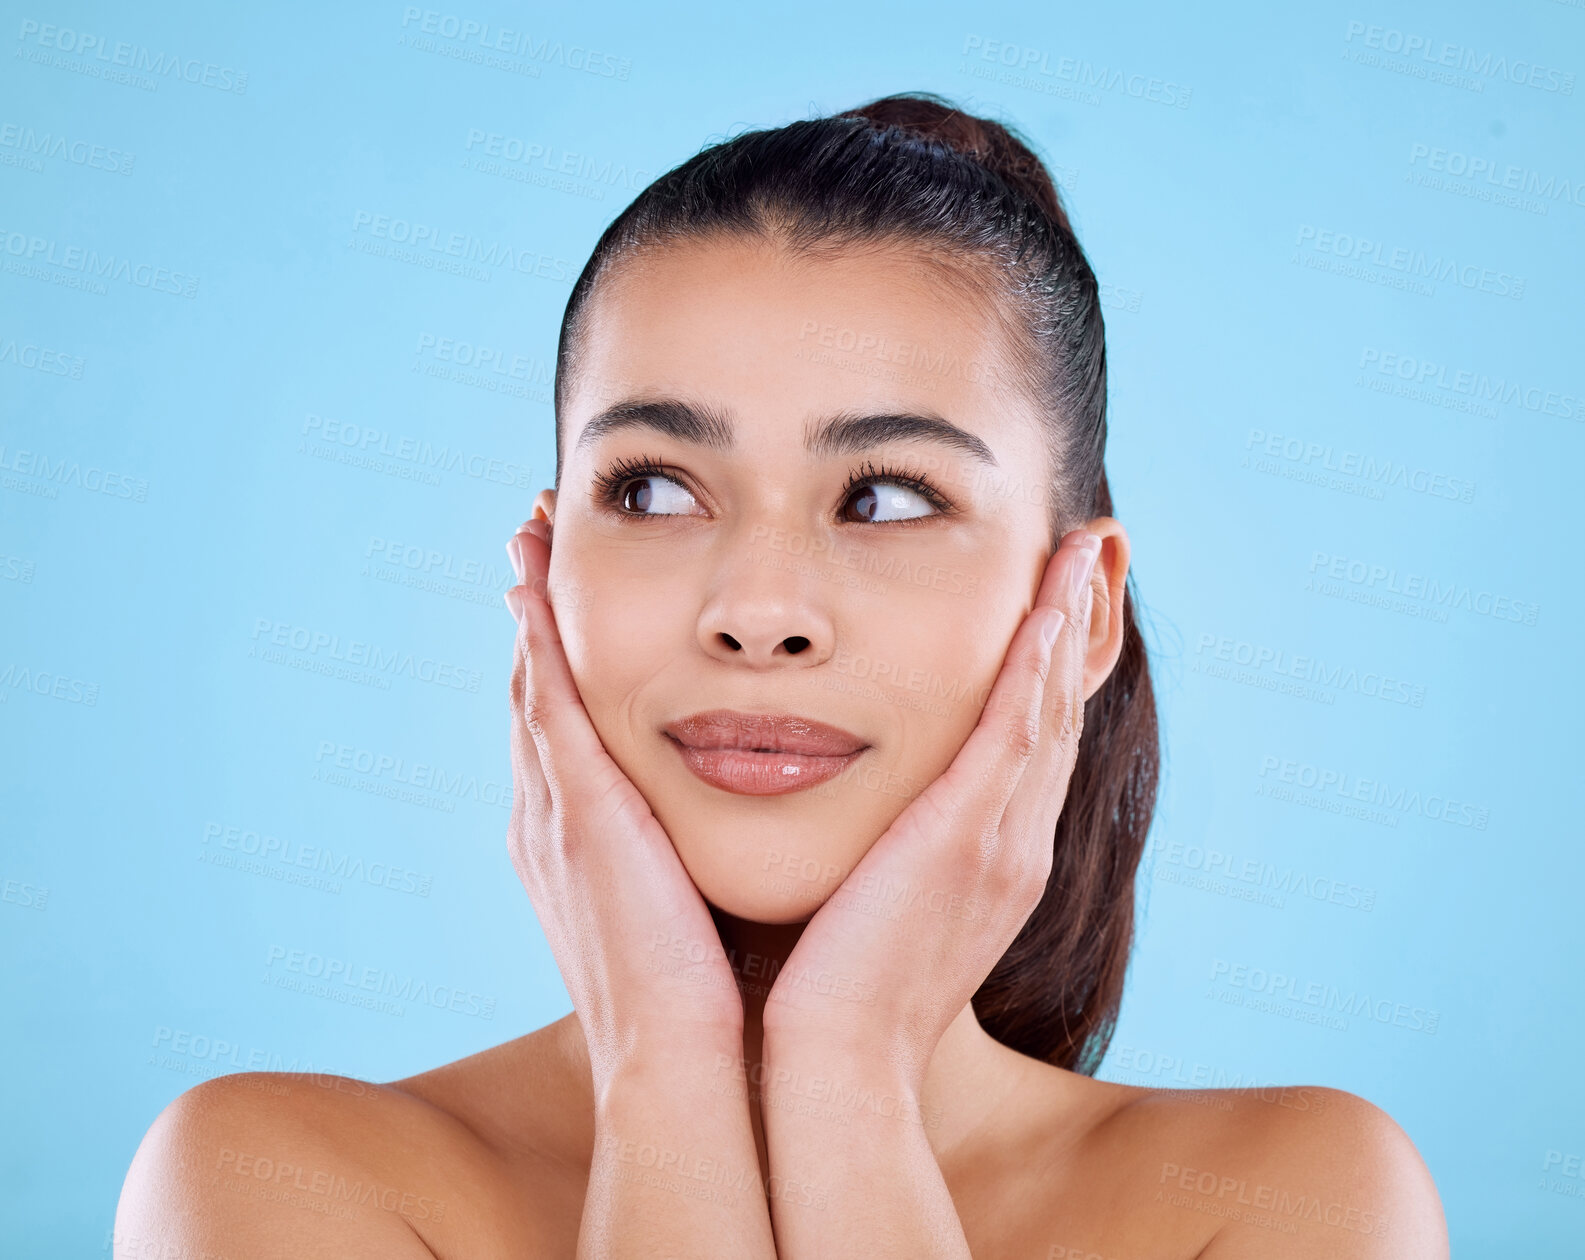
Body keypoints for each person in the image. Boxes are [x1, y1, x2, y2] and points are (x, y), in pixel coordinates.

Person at [115, 92, 1448, 1258]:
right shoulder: (271, 1180)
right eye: (650, 487)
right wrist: (660, 1059)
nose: (757, 612)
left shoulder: (1290, 1202)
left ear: (1080, 612)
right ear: (544, 562)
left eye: (881, 498)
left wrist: (846, 1075)